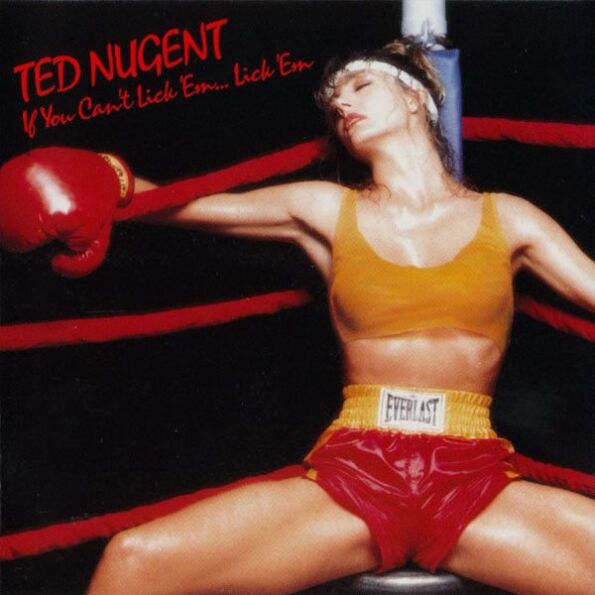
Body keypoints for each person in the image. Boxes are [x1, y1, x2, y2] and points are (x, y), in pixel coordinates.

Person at [82, 38, 595, 594]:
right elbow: (188, 205)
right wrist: (105, 182)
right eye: (334, 105)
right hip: (357, 472)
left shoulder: (510, 218)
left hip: (473, 477)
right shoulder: (327, 208)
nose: (343, 105)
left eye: (360, 86)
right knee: (133, 560)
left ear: (415, 98)